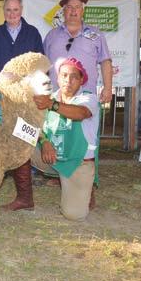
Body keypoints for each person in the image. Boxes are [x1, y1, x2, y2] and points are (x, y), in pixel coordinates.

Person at [0, 0, 44, 211]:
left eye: (16, 10)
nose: (12, 14)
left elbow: (39, 63)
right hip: (2, 96)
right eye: (8, 10)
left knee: (23, 139)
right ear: (3, 12)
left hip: (25, 98)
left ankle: (25, 197)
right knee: (0, 139)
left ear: (21, 10)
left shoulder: (33, 33)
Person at [33, 58, 99, 221]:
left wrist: (51, 105)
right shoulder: (51, 97)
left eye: (74, 77)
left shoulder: (89, 98)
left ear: (81, 80)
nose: (68, 81)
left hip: (78, 162)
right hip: (52, 156)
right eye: (64, 75)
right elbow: (36, 124)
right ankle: (24, 198)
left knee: (74, 215)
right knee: (19, 137)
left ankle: (86, 189)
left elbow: (81, 114)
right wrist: (44, 142)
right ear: (57, 78)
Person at [43, 0, 113, 103]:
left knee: (83, 119)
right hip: (56, 95)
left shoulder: (96, 34)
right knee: (56, 120)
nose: (73, 11)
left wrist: (108, 88)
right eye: (69, 7)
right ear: (63, 11)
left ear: (82, 11)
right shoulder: (51, 35)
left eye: (77, 7)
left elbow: (105, 61)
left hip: (86, 95)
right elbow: (43, 64)